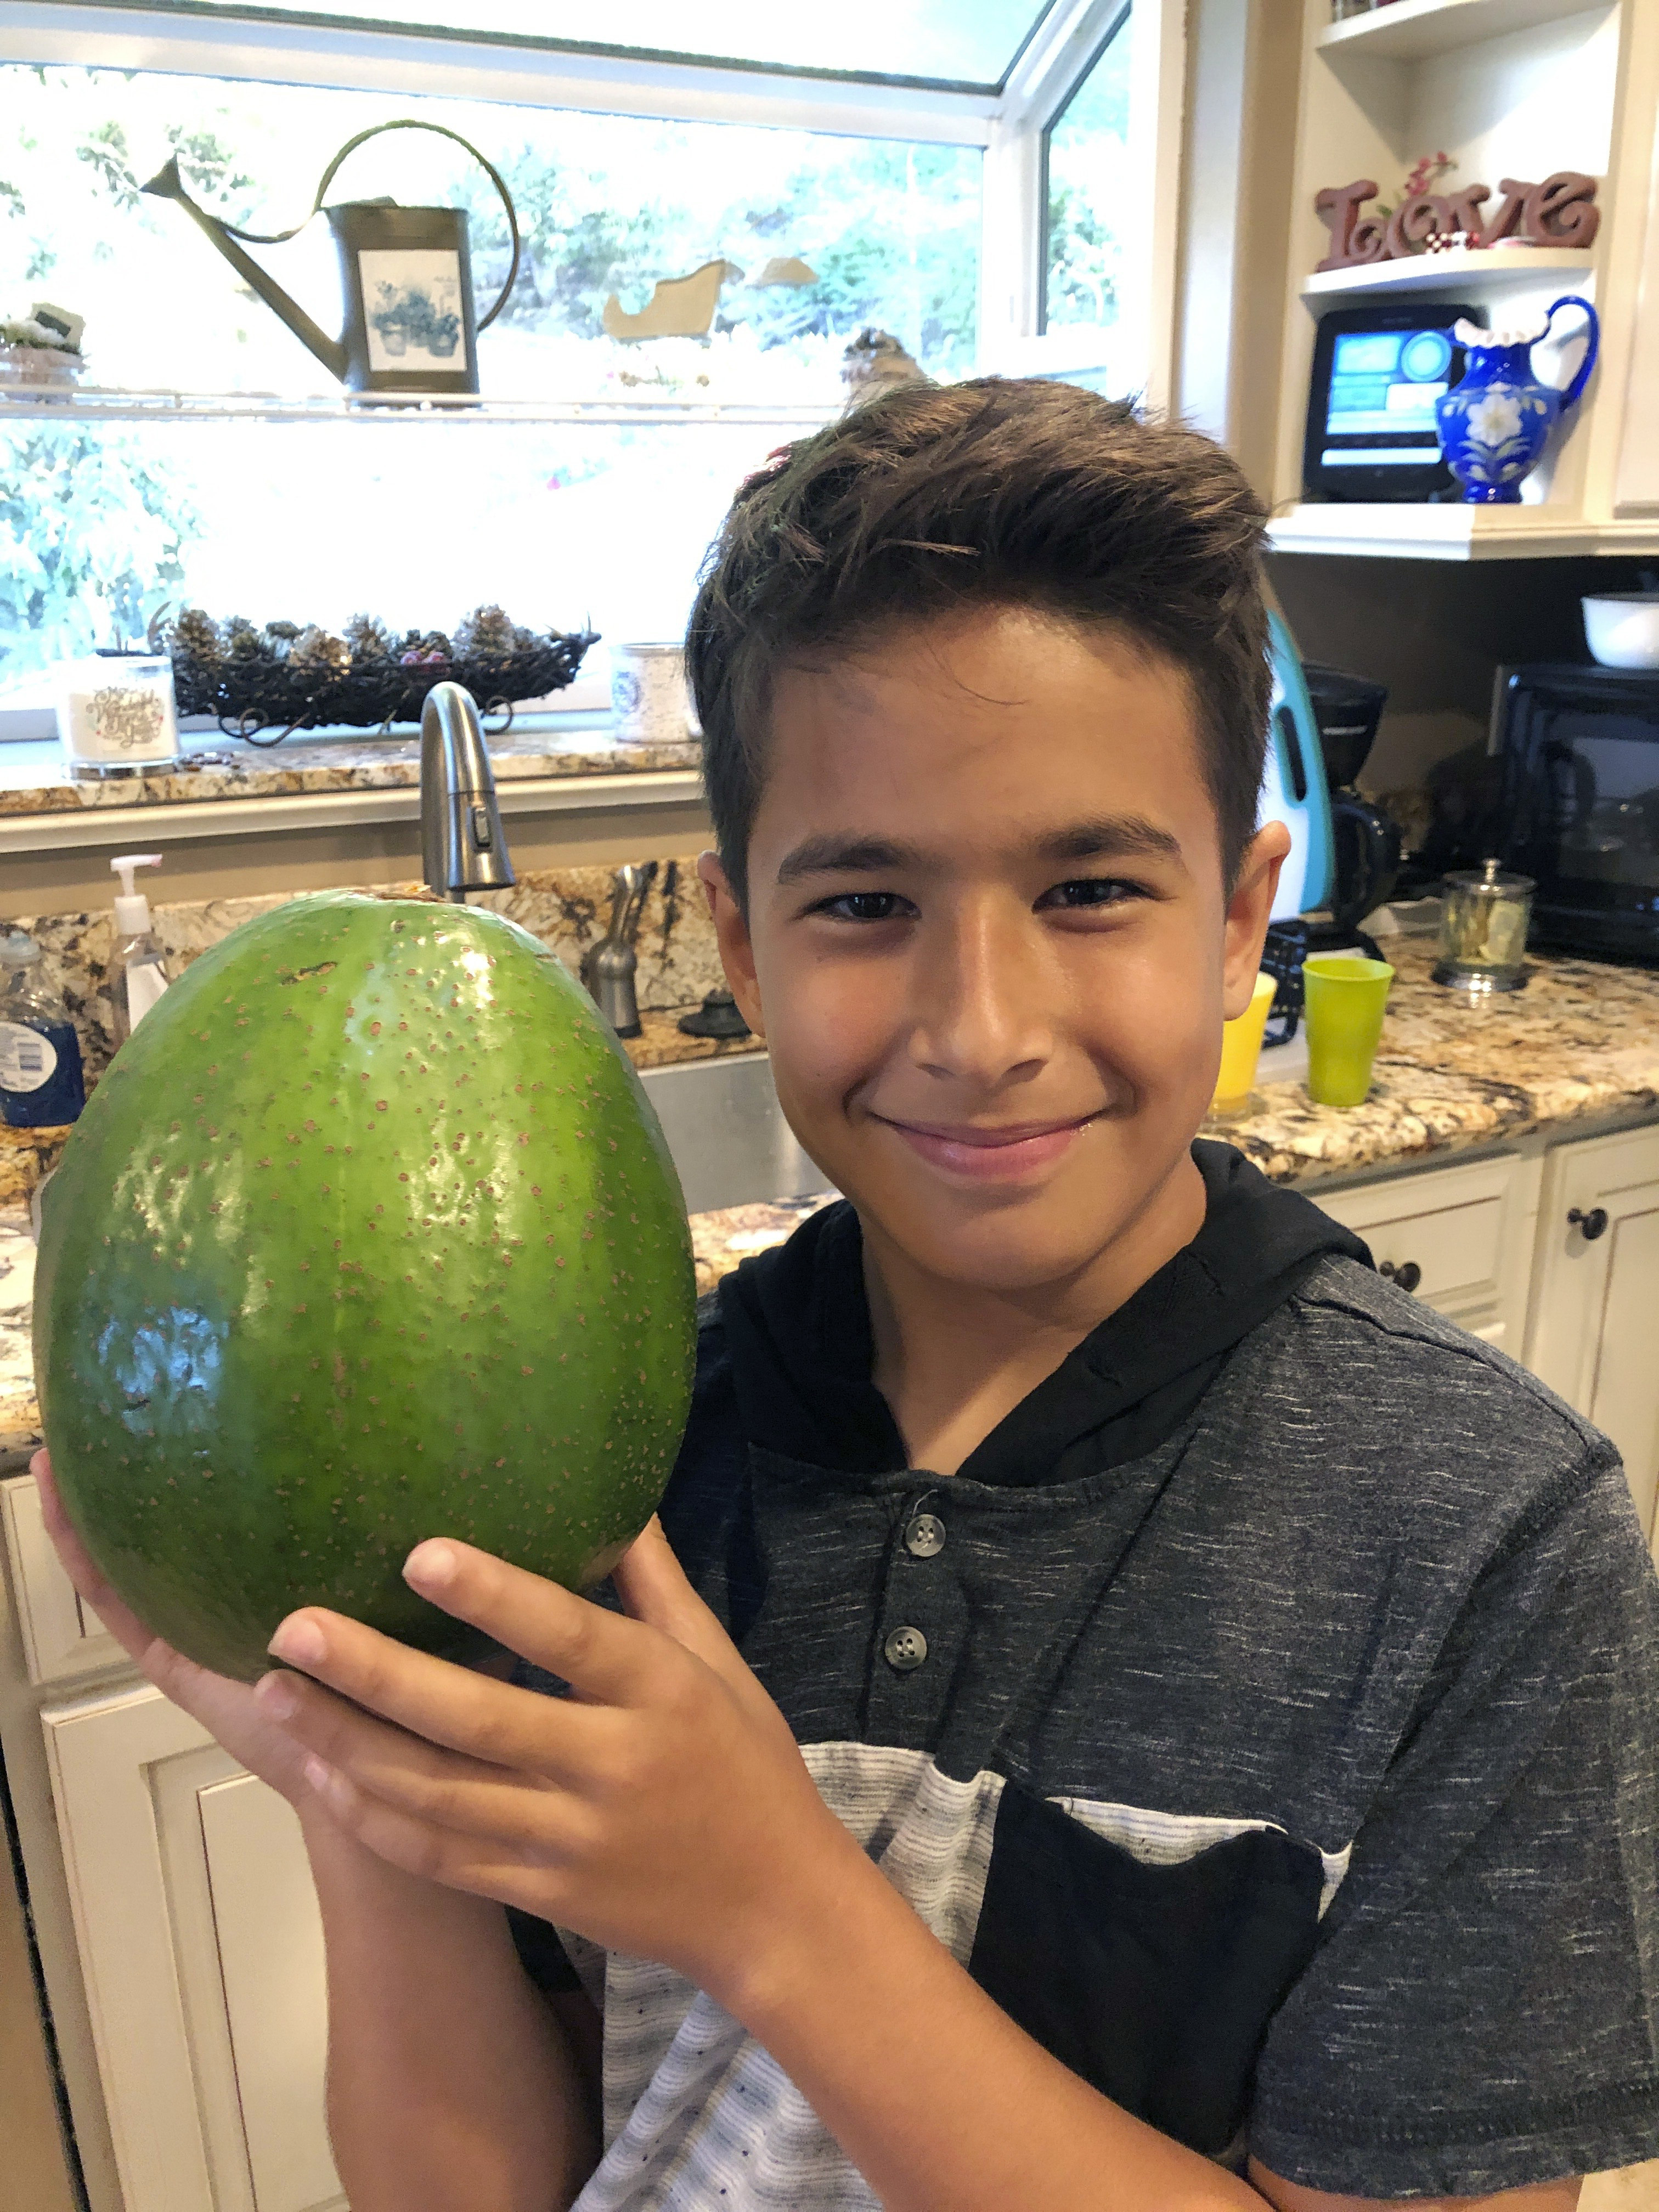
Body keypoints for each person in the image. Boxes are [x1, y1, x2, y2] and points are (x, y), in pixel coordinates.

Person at [37, 380, 1659, 2212]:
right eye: (867, 904)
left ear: (1238, 920)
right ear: (742, 942)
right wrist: (369, 1798)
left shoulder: (1485, 1543)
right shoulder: (594, 1453)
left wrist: (772, 1903)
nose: (981, 1033)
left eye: (1093, 887)